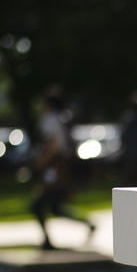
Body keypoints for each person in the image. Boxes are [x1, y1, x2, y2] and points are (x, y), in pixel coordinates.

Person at [30, 89, 94, 250]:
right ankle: (87, 224)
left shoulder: (51, 120)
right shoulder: (61, 119)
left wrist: (39, 164)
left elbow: (54, 146)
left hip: (56, 169)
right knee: (55, 207)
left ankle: (47, 241)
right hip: (61, 168)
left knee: (37, 205)